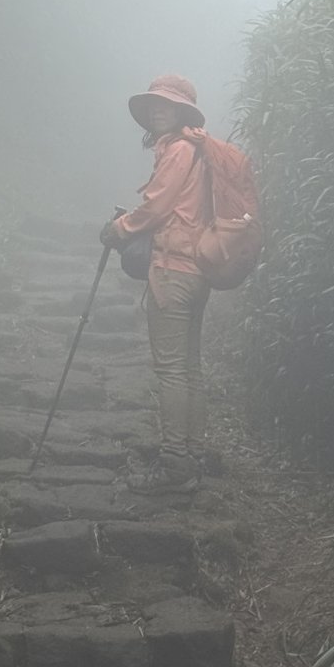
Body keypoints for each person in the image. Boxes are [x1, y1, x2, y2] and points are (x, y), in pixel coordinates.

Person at [100, 74, 211, 495]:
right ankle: (193, 453)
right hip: (198, 267)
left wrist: (120, 228)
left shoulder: (178, 149)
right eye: (153, 104)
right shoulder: (198, 150)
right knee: (190, 368)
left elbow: (160, 205)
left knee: (171, 372)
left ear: (183, 111)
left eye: (167, 104)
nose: (157, 109)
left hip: (173, 270)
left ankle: (175, 464)